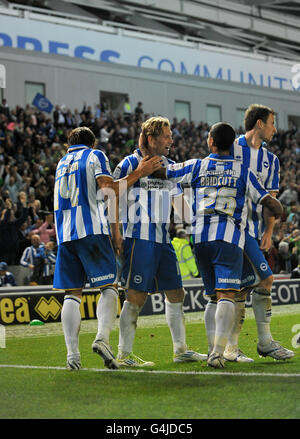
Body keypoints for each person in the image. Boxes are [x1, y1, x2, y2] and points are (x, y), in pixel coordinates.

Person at [163, 122, 283, 368]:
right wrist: (277, 208)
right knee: (227, 294)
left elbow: (166, 171)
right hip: (229, 238)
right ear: (232, 145)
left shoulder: (197, 164)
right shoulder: (243, 171)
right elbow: (270, 203)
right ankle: (219, 352)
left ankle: (211, 350)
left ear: (210, 141)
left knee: (212, 298)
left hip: (201, 238)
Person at [53, 126, 161, 370]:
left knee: (72, 294)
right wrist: (139, 172)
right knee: (109, 287)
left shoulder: (61, 163)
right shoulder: (95, 156)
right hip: (91, 230)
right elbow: (108, 190)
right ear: (91, 144)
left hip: (65, 235)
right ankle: (102, 338)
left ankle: (72, 357)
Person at [112, 116, 207, 367]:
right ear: (151, 138)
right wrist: (116, 233)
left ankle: (180, 349)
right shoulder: (128, 163)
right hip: (138, 238)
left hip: (163, 239)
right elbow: (110, 194)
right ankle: (123, 355)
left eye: (171, 136)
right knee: (136, 296)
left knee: (176, 292)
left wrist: (197, 217)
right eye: (166, 136)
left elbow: (181, 205)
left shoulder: (170, 166)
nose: (171, 140)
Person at [225, 104, 294, 362]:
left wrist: (268, 231)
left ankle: (240, 346)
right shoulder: (230, 148)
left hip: (253, 231)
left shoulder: (271, 160)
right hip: (230, 228)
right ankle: (251, 344)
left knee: (252, 284)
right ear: (259, 124)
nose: (275, 129)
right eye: (272, 123)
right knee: (252, 284)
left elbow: (271, 200)